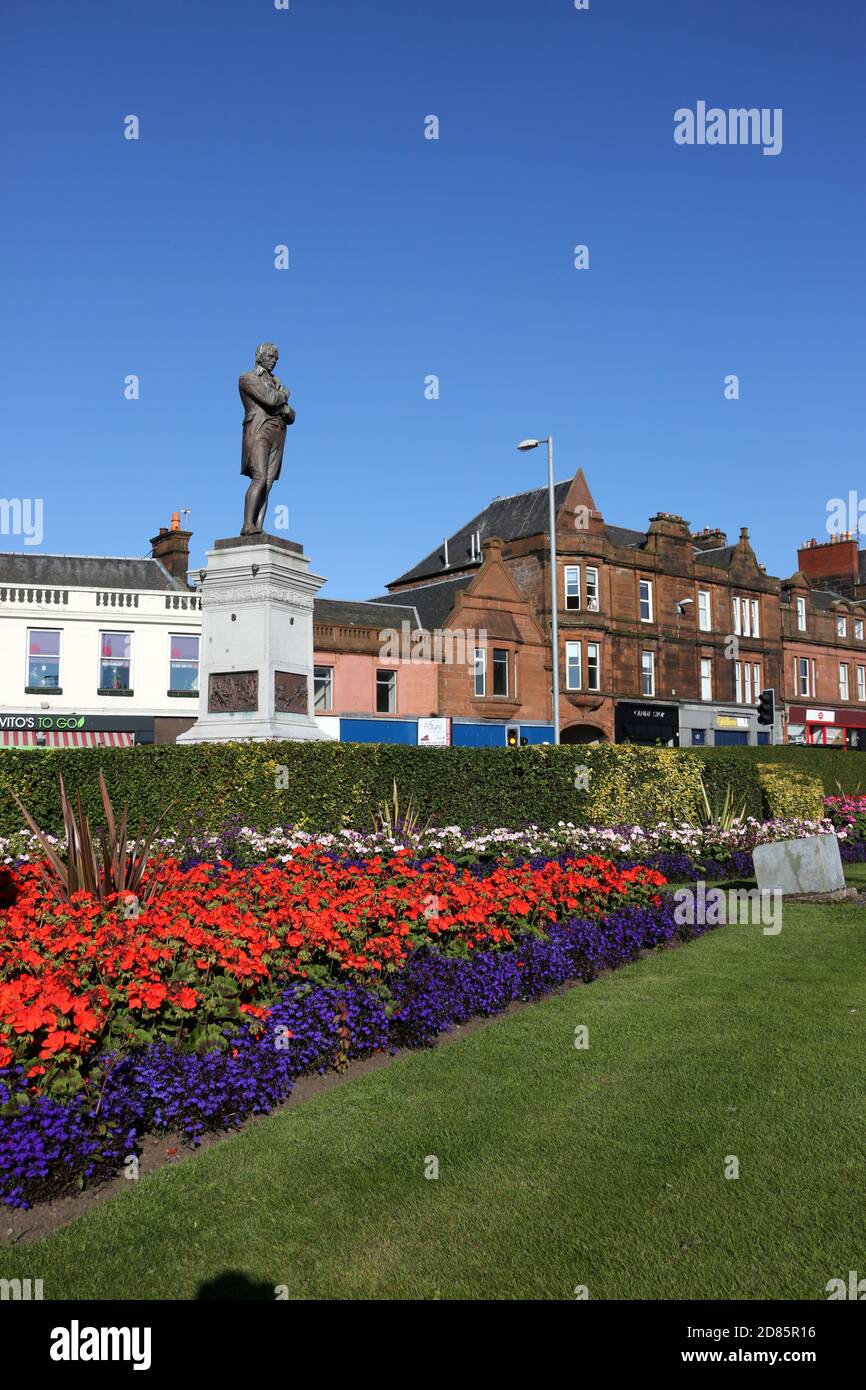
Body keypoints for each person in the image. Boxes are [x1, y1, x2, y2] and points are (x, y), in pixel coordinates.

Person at [239, 342, 296, 535]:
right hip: (259, 431)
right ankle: (247, 525)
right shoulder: (247, 378)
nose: (273, 361)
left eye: (276, 358)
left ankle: (259, 528)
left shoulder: (276, 382)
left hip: (278, 434)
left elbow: (292, 416)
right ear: (259, 355)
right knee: (260, 478)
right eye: (270, 356)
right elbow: (270, 399)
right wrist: (283, 396)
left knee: (268, 484)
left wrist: (281, 402)